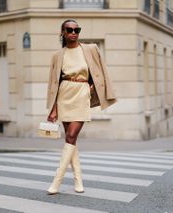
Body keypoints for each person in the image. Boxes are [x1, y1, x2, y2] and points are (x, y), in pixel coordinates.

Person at [46, 19, 117, 195]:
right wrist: (53, 108)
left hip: (81, 95)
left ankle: (57, 181)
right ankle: (78, 180)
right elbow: (54, 83)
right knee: (71, 140)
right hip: (64, 95)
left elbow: (100, 71)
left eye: (77, 29)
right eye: (69, 29)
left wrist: (91, 87)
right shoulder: (57, 55)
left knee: (71, 136)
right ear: (62, 32)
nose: (73, 32)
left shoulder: (91, 49)